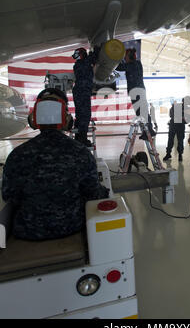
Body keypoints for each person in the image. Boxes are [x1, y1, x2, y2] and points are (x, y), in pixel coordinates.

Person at [1, 88, 109, 241]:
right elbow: (93, 194)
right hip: (71, 227)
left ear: (34, 119)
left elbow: (8, 195)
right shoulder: (80, 152)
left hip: (28, 231)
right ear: (66, 119)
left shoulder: (17, 155)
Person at [116, 48, 155, 140]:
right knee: (142, 112)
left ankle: (149, 131)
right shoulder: (136, 64)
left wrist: (115, 59)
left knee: (142, 112)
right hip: (139, 91)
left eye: (125, 56)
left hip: (136, 92)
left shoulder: (132, 65)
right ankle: (147, 131)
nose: (124, 58)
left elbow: (119, 67)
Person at [72, 46, 100, 146]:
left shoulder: (79, 64)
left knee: (80, 115)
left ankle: (78, 138)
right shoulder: (82, 64)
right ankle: (82, 139)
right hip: (82, 92)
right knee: (85, 115)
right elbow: (93, 57)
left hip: (80, 91)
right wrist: (97, 48)